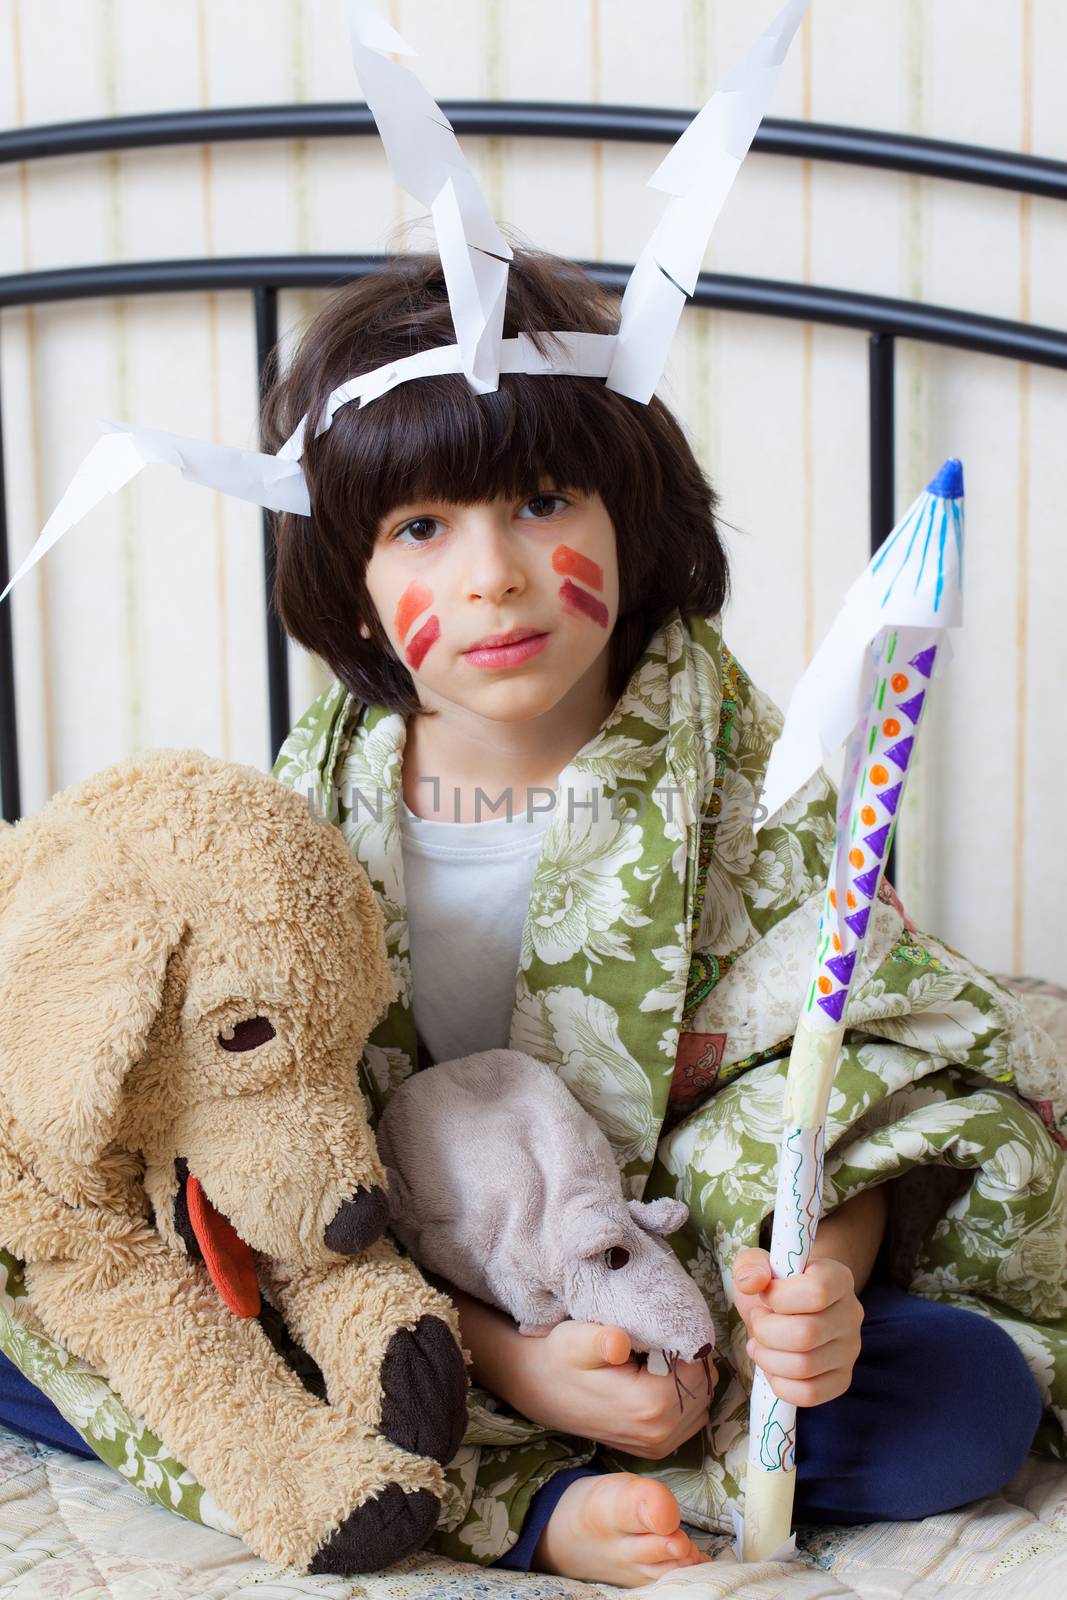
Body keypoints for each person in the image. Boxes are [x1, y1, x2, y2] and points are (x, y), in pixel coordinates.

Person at [0, 246, 1059, 1587]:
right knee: (79, 1316)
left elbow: (844, 1074)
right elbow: (263, 1140)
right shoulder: (296, 822)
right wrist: (504, 1358)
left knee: (963, 1400)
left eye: (543, 500)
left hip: (676, 1287)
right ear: (353, 575)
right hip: (399, 1300)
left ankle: (557, 1446)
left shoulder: (753, 780)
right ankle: (532, 1487)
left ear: (633, 514)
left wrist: (814, 1295)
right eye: (421, 528)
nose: (493, 574)